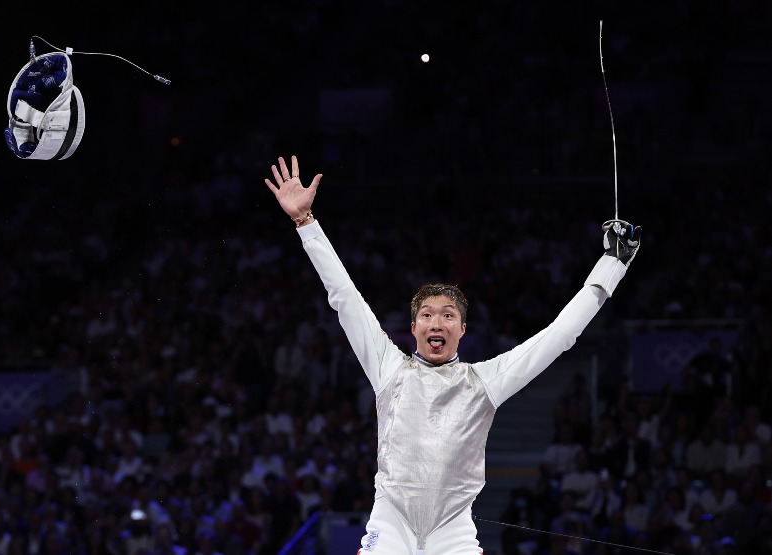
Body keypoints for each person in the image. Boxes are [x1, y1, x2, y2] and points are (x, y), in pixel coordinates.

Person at [264, 155, 642, 555]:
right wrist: (306, 223)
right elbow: (345, 298)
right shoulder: (389, 368)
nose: (437, 323)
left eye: (448, 316)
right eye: (427, 315)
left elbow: (560, 335)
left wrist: (612, 264)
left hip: (453, 532)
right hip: (390, 523)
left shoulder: (484, 382)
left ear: (463, 329)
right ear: (413, 329)